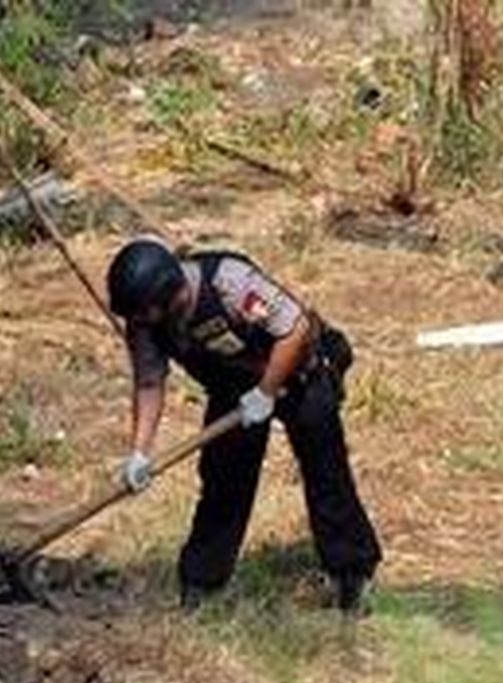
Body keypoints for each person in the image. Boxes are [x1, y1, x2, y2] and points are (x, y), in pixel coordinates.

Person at [106, 236, 382, 613]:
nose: (139, 324)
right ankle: (201, 586)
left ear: (171, 295)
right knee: (223, 481)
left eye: (145, 314)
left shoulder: (230, 283)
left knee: (325, 474)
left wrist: (267, 392)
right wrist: (140, 452)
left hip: (302, 373)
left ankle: (353, 577)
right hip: (234, 389)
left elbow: (294, 329)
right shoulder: (145, 323)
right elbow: (149, 382)